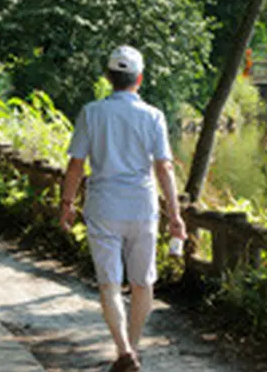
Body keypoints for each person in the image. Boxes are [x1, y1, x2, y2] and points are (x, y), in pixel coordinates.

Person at [59, 46, 186, 372]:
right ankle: (131, 349)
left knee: (110, 284)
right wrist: (175, 215)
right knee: (143, 283)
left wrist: (67, 204)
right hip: (142, 208)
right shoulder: (153, 116)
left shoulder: (91, 113)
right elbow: (164, 168)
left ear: (108, 78)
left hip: (103, 207)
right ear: (139, 79)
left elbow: (75, 165)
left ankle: (123, 350)